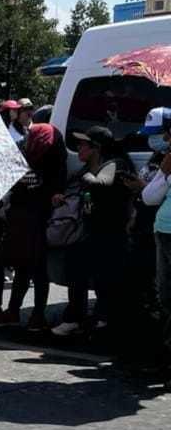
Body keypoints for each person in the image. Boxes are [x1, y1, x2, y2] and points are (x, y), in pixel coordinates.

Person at [52, 126, 135, 336]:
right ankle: (75, 318)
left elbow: (101, 183)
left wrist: (87, 176)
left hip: (111, 235)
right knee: (76, 273)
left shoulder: (115, 164)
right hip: (89, 232)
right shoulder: (85, 168)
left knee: (105, 280)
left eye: (83, 145)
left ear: (96, 148)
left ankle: (103, 322)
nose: (78, 148)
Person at [0, 123, 66, 331]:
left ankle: (15, 311)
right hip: (41, 220)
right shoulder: (56, 158)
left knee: (24, 268)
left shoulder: (25, 157)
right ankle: (36, 315)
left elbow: (15, 185)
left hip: (22, 220)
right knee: (38, 271)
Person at [141, 108, 171, 383]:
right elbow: (151, 195)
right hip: (164, 231)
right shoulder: (165, 161)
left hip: (166, 232)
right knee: (166, 298)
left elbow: (150, 196)